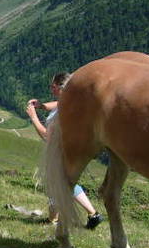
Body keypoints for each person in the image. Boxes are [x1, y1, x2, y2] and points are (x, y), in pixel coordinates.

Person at [26, 72, 104, 230]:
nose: (51, 89)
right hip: (69, 151)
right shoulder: (70, 101)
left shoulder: (65, 111)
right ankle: (91, 214)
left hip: (59, 151)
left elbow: (48, 137)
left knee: (57, 182)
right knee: (66, 182)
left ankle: (56, 219)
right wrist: (41, 106)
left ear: (61, 88)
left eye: (53, 87)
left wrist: (34, 117)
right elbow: (55, 104)